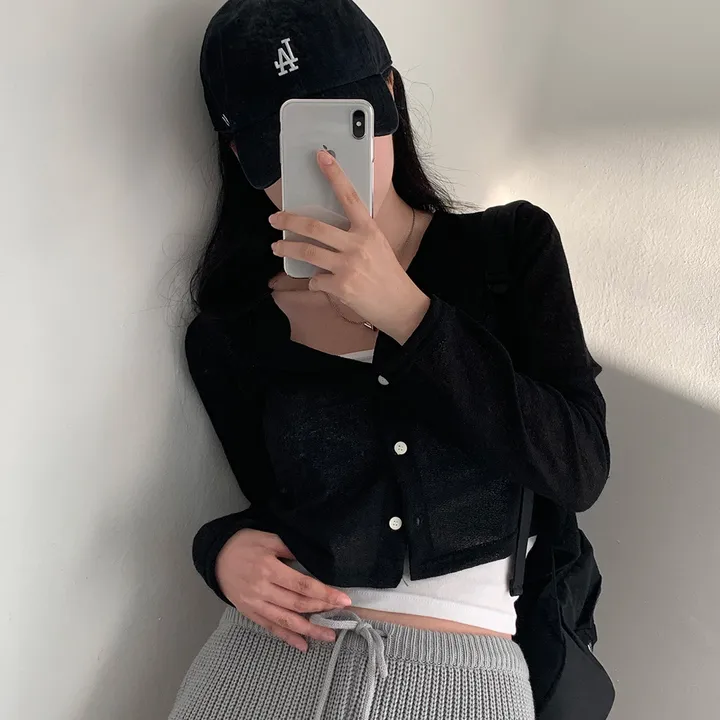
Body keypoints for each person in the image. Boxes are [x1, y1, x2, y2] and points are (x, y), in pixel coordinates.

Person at [170, 1, 611, 719]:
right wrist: (219, 552)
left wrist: (409, 314)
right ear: (239, 156)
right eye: (280, 146)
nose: (319, 167)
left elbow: (579, 466)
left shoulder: (509, 251)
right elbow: (283, 510)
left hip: (463, 682)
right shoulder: (230, 333)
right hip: (263, 667)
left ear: (390, 96)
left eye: (339, 128)